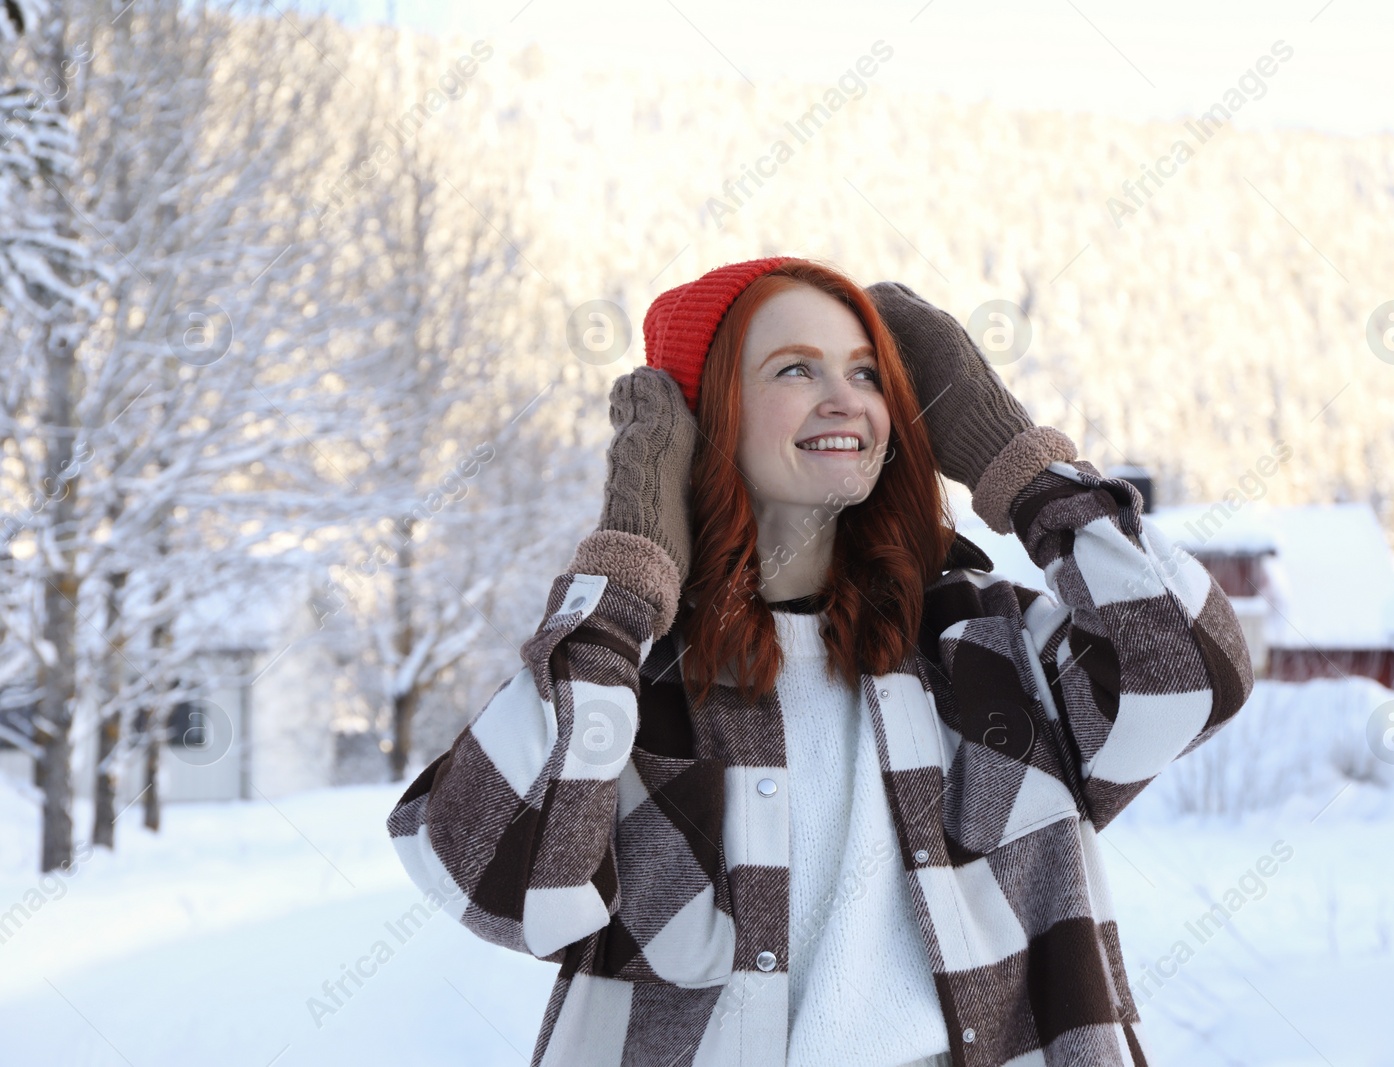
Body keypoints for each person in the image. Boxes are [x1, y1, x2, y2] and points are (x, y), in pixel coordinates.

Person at [386, 257, 1254, 1066]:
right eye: (796, 369)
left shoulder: (984, 646)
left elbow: (1194, 673)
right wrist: (626, 577)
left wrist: (1013, 461)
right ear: (706, 417)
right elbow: (485, 875)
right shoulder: (629, 683)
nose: (846, 398)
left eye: (868, 372)